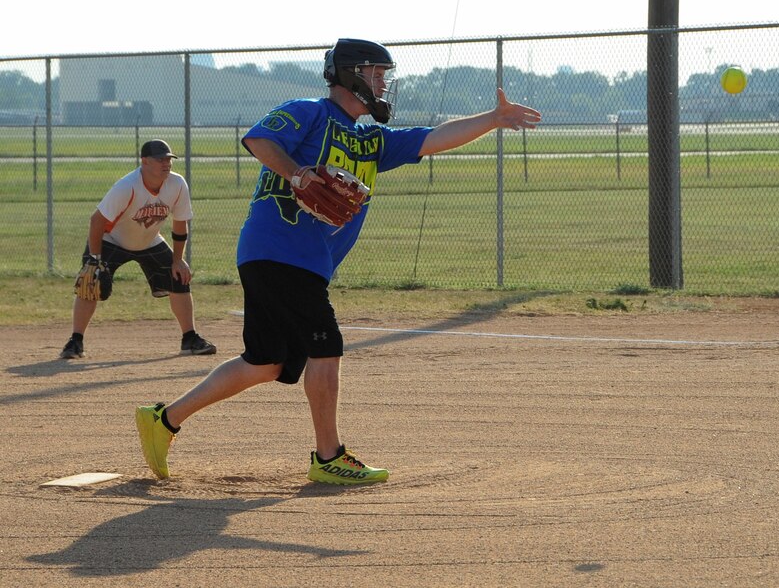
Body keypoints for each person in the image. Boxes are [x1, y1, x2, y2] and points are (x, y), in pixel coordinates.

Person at [135, 38, 541, 484]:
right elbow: (258, 139)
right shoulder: (309, 112)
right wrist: (299, 173)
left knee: (266, 361)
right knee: (325, 344)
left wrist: (494, 119)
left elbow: (433, 138)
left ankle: (164, 420)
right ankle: (329, 457)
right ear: (352, 74)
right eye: (378, 73)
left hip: (297, 260)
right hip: (279, 248)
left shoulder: (372, 140)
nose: (384, 83)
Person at [59, 139, 216, 359]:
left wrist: (178, 260)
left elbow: (181, 224)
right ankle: (75, 341)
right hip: (111, 240)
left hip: (149, 240)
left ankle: (189, 338)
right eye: (160, 159)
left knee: (179, 276)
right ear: (144, 162)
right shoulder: (127, 186)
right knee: (90, 282)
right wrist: (94, 260)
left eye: (168, 159)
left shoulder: (177, 185)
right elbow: (96, 221)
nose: (166, 163)